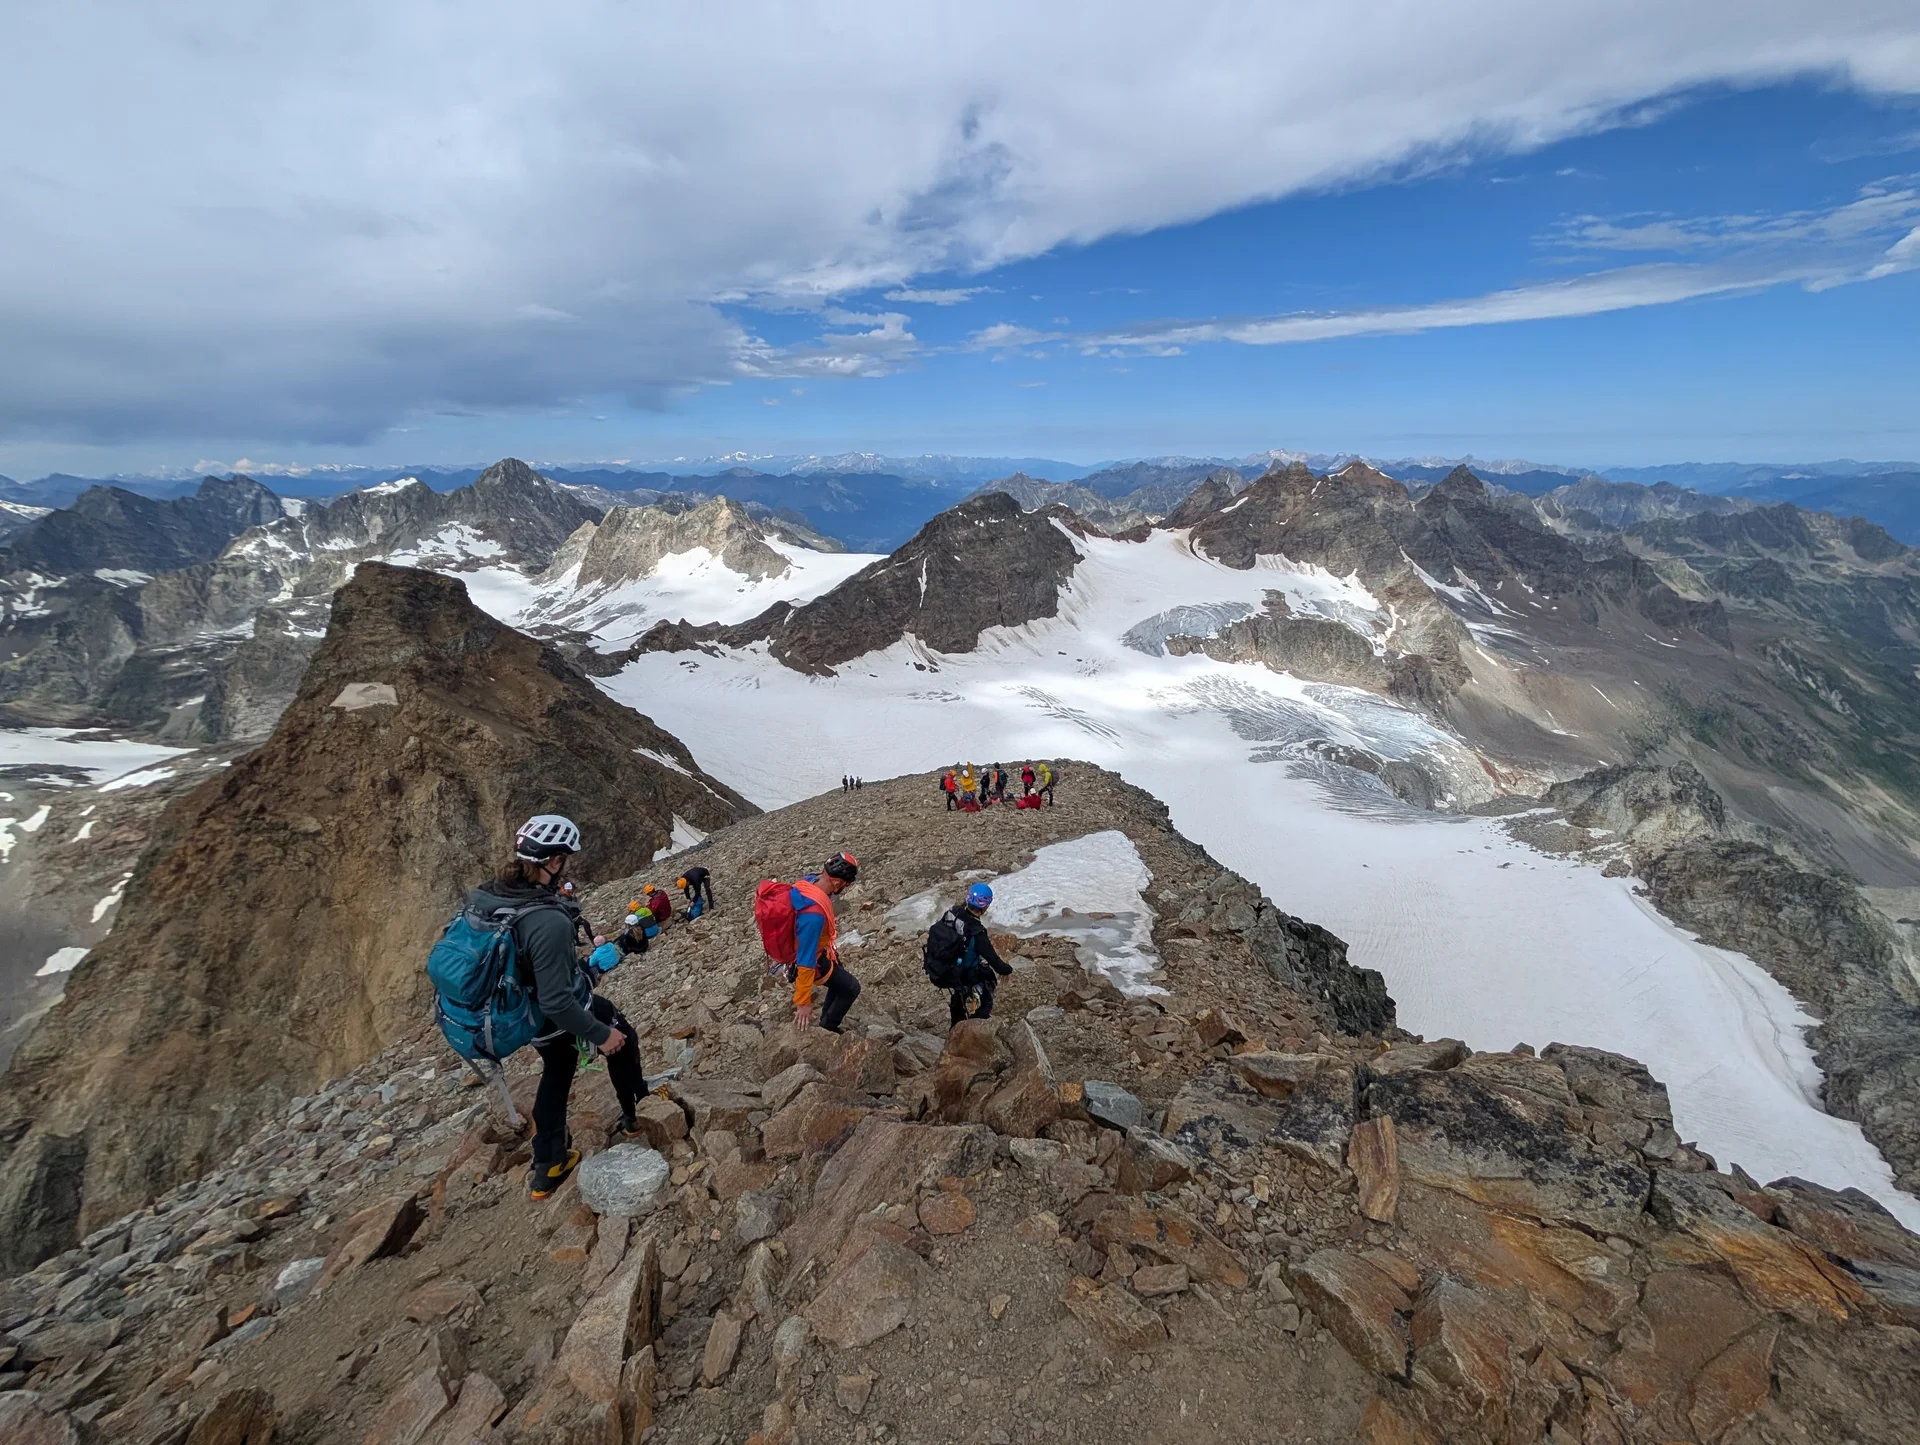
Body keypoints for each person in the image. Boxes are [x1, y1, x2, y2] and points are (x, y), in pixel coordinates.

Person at [465, 814, 647, 1200]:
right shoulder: (548, 920)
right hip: (553, 1013)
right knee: (622, 1035)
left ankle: (548, 1166)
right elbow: (557, 999)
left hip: (522, 1014)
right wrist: (601, 1034)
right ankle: (637, 1113)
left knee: (558, 1069)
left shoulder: (491, 894)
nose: (566, 864)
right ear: (553, 860)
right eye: (564, 857)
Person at [791, 851, 862, 1033]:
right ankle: (828, 1026)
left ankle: (827, 1020)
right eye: (845, 885)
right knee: (852, 988)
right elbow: (805, 960)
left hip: (819, 950)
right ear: (837, 883)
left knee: (839, 979)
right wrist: (803, 1002)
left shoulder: (808, 882)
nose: (844, 888)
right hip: (814, 960)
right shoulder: (814, 916)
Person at [924, 882, 1013, 1027]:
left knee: (961, 993)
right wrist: (1008, 970)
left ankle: (957, 1022)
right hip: (962, 973)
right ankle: (978, 1022)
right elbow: (995, 962)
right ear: (985, 906)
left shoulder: (952, 913)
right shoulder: (976, 932)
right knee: (986, 982)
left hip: (942, 968)